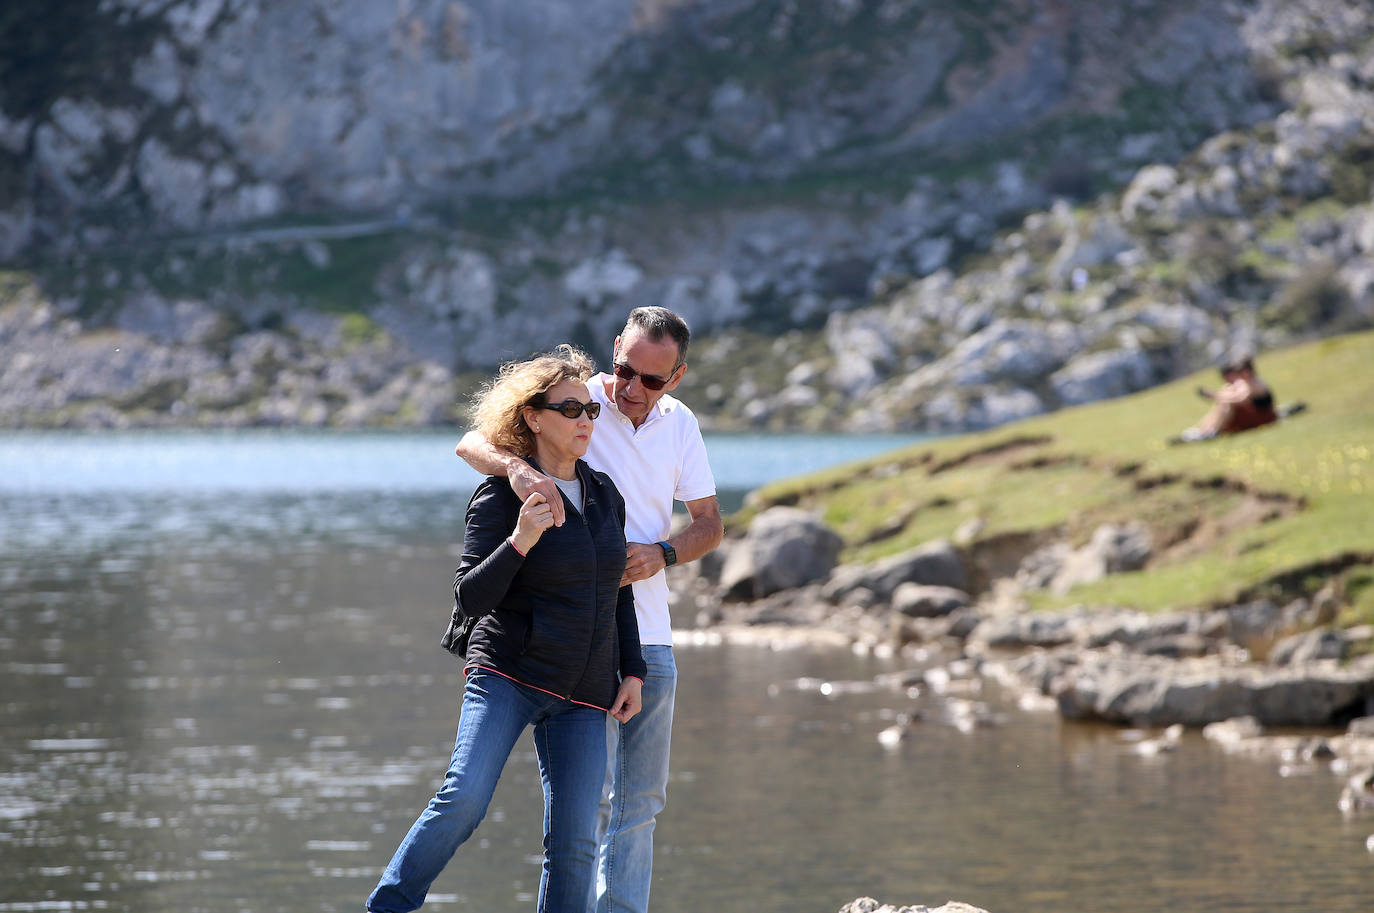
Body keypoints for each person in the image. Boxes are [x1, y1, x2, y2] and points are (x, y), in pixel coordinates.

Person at [455, 306, 723, 913]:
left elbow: (710, 525)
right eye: (624, 369)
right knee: (583, 805)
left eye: (651, 381)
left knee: (642, 803)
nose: (630, 389)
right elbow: (470, 442)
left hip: (651, 638)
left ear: (676, 379)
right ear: (613, 350)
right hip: (585, 637)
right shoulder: (576, 406)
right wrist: (521, 471)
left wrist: (662, 553)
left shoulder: (682, 425)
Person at [367, 345, 647, 913]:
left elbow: (615, 589)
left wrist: (633, 670)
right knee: (463, 799)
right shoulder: (500, 493)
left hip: (584, 693)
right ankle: (388, 907)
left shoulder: (605, 496)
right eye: (570, 410)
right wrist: (521, 540)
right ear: (532, 416)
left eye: (590, 410)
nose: (585, 422)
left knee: (573, 844)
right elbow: (470, 596)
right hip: (508, 675)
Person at [1176, 354, 1279, 442]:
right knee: (1223, 404)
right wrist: (1219, 396)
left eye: (1241, 371)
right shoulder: (1246, 383)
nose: (1239, 374)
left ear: (1248, 371)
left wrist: (1215, 396)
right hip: (1255, 416)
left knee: (1227, 404)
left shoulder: (1255, 384)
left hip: (1265, 417)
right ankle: (1203, 430)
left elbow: (1240, 399)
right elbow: (1231, 393)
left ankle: (1211, 432)